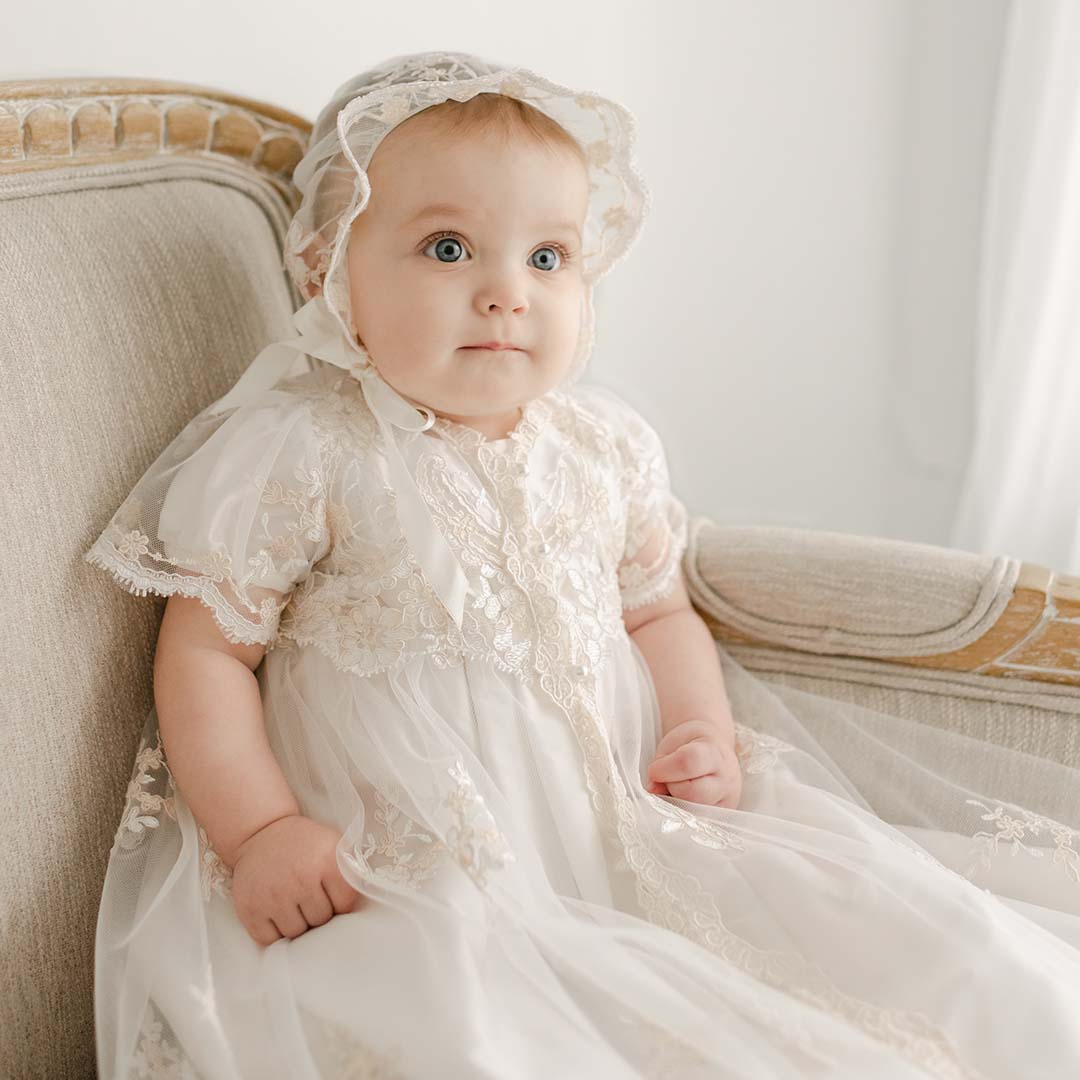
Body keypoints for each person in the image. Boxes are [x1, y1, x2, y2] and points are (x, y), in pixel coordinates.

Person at [84, 50, 1080, 1079]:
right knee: (473, 1027)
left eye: (547, 259)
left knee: (923, 957)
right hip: (419, 860)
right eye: (447, 247)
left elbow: (657, 614)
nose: (506, 295)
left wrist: (699, 726)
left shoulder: (602, 446)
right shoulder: (306, 450)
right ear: (329, 270)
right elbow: (206, 653)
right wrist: (262, 832)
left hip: (626, 818)